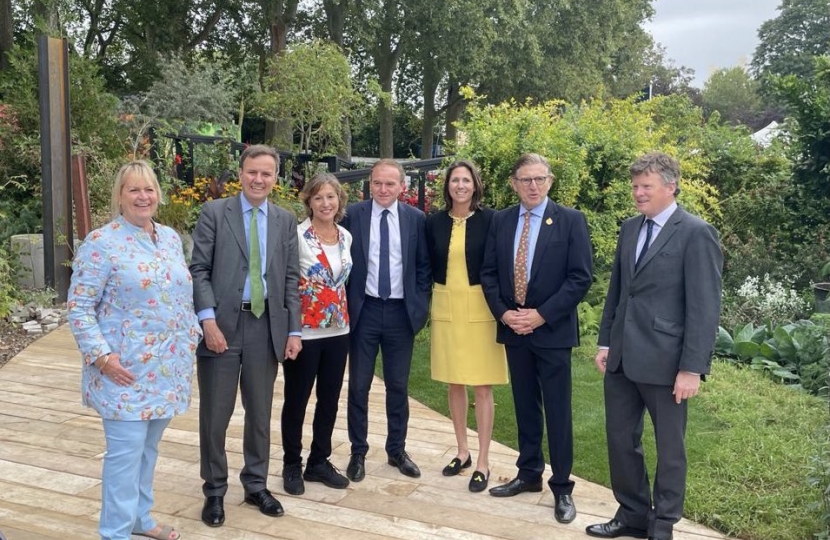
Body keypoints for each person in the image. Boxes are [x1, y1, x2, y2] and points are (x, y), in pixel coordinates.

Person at [586, 152, 722, 540]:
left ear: (670, 187)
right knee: (620, 441)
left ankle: (662, 525)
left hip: (667, 362)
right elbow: (618, 291)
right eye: (635, 186)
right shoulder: (630, 228)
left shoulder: (696, 232)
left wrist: (691, 368)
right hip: (622, 358)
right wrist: (606, 342)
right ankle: (632, 515)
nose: (638, 193)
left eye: (646, 186)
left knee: (670, 449)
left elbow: (704, 307)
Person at [67, 161, 201, 540]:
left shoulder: (170, 238)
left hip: (167, 371)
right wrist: (102, 357)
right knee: (124, 457)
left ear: (158, 194)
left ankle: (141, 518)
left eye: (149, 189)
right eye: (134, 190)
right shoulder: (101, 242)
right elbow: (79, 306)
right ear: (120, 196)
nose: (143, 197)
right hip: (123, 372)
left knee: (147, 450)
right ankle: (115, 533)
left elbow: (180, 295)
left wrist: (191, 334)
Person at [189, 144, 302, 527]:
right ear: (241, 174)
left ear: (275, 178)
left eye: (266, 173)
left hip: (265, 327)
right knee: (215, 415)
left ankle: (255, 484)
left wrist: (293, 329)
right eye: (252, 172)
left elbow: (290, 279)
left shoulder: (285, 220)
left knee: (259, 414)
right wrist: (207, 321)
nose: (258, 179)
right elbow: (199, 270)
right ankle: (214, 490)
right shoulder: (214, 213)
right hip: (221, 326)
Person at [480, 153, 593, 523]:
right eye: (525, 179)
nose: (533, 186)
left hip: (552, 331)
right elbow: (489, 273)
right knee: (525, 407)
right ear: (514, 183)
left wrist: (541, 315)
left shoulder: (570, 220)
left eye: (540, 179)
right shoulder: (501, 220)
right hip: (514, 329)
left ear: (550, 180)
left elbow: (580, 277)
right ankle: (529, 474)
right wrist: (504, 313)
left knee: (558, 411)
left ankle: (561, 487)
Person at [341, 158, 432, 482]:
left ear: (402, 187)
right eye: (377, 183)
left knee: (397, 385)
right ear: (370, 183)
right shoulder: (353, 215)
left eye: (389, 183)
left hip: (399, 313)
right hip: (363, 311)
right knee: (359, 385)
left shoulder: (415, 219)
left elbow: (423, 267)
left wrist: (419, 307)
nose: (382, 189)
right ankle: (358, 452)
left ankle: (396, 450)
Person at [425, 160, 508, 493]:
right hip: (447, 309)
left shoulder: (492, 220)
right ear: (447, 186)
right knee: (455, 382)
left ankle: (484, 461)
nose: (460, 185)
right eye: (455, 180)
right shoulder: (433, 222)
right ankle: (462, 451)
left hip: (481, 310)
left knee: (482, 387)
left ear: (475, 185)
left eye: (466, 180)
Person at [281, 173, 353, 496]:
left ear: (339, 200)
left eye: (331, 197)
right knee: (297, 400)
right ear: (309, 201)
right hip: (305, 332)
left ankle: (318, 461)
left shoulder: (346, 237)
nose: (325, 203)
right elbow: (287, 284)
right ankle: (291, 464)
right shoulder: (297, 237)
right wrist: (291, 331)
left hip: (339, 330)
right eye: (318, 197)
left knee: (329, 400)